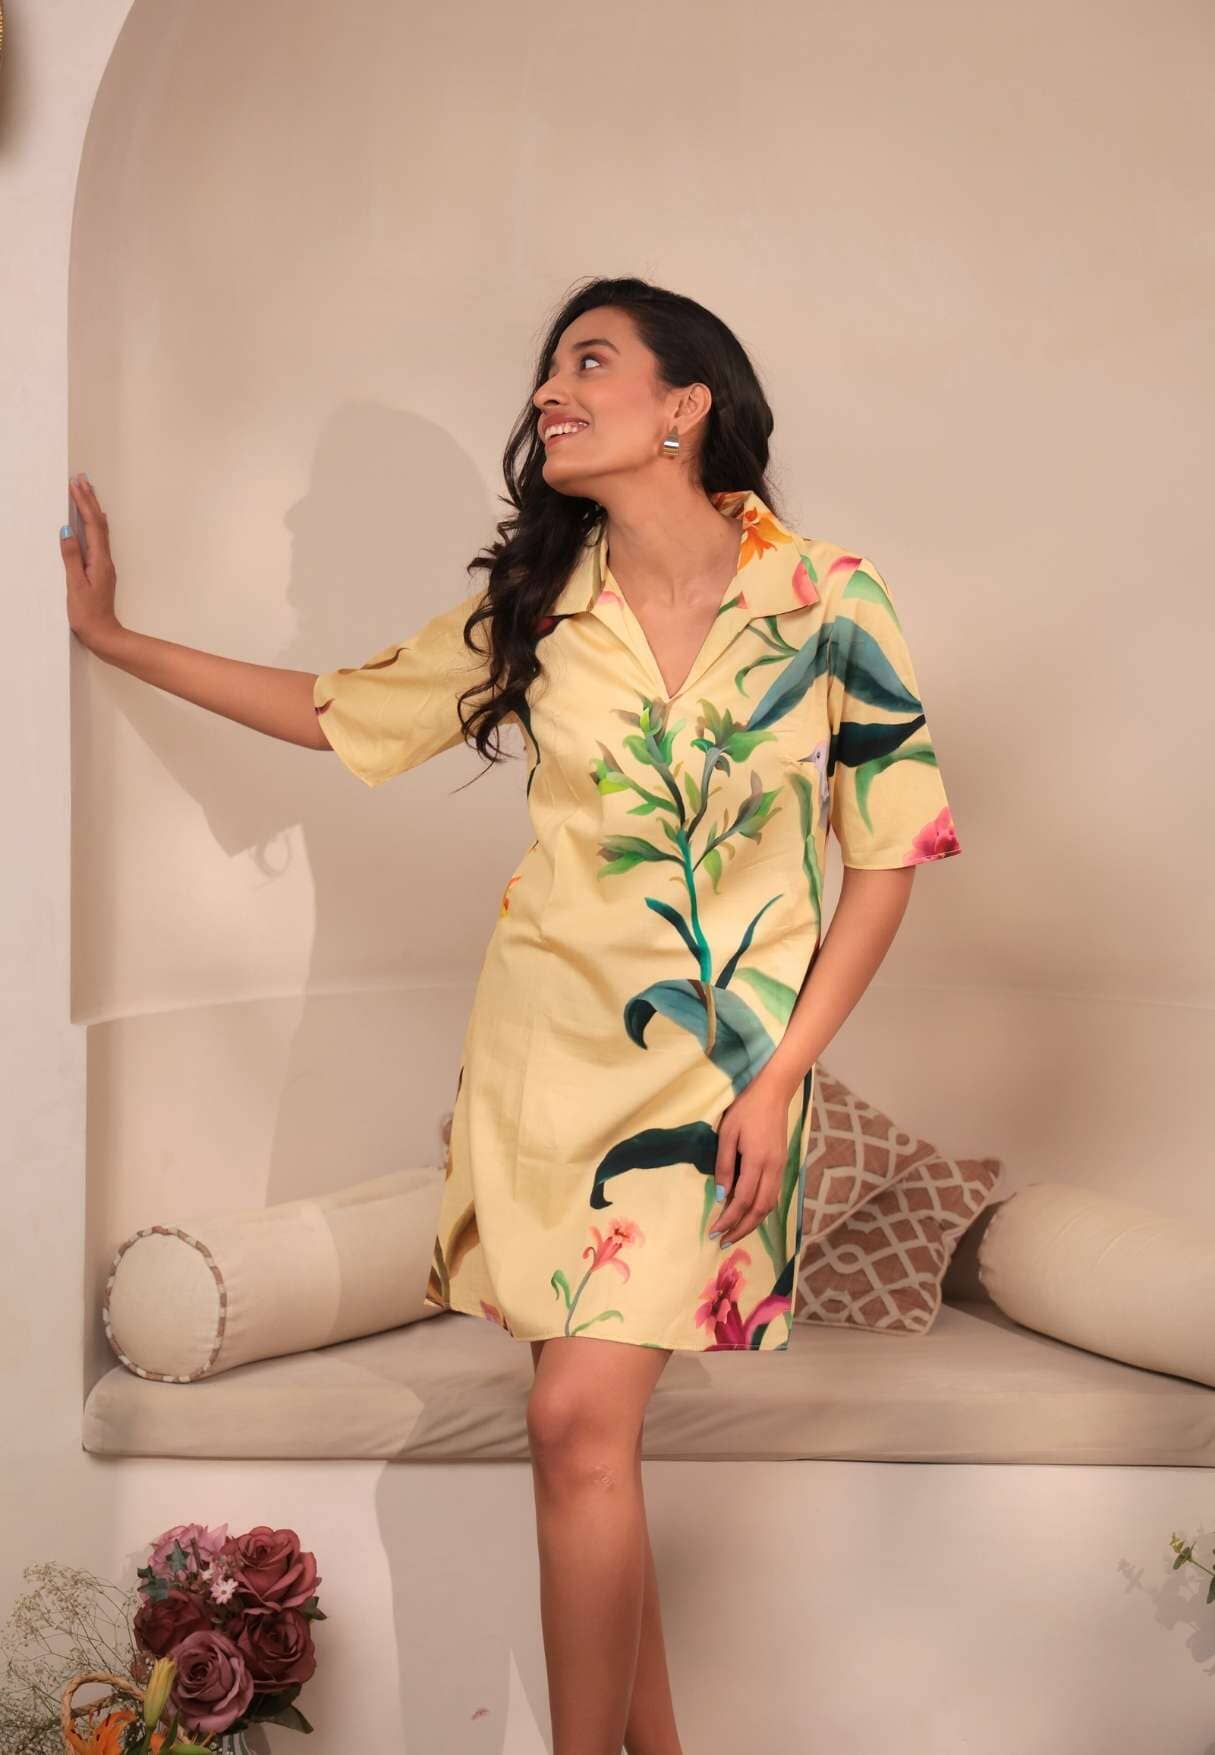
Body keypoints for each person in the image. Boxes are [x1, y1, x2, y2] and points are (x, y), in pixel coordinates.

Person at [60, 274, 961, 1755]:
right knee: (586, 1448)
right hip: (540, 1077)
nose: (551, 388)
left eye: (590, 362)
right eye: (548, 368)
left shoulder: (828, 600)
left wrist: (783, 1077)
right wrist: (118, 639)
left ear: (684, 407)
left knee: (572, 1432)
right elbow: (340, 708)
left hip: (718, 1083)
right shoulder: (542, 607)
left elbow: (887, 859)